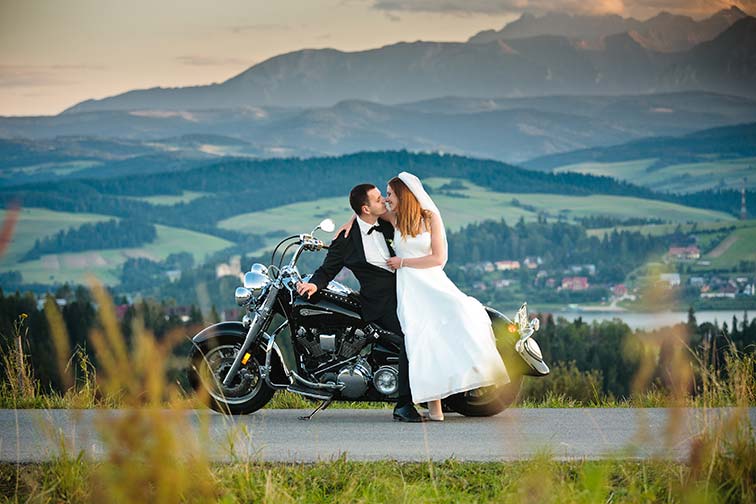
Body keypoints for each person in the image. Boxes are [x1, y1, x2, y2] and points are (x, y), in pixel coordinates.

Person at [338, 172, 509, 421]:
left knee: (462, 320)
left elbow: (438, 258)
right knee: (422, 341)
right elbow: (367, 213)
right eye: (385, 195)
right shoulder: (396, 219)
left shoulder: (431, 218)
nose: (386, 199)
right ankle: (436, 410)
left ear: (403, 195)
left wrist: (402, 261)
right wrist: (350, 221)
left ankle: (466, 382)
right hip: (411, 290)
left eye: (390, 194)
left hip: (432, 285)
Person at [296, 183, 425, 422]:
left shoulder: (386, 223)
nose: (384, 202)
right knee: (411, 336)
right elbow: (327, 270)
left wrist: (352, 217)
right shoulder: (346, 239)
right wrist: (313, 285)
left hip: (410, 293)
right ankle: (404, 405)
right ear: (366, 208)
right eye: (378, 199)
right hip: (381, 304)